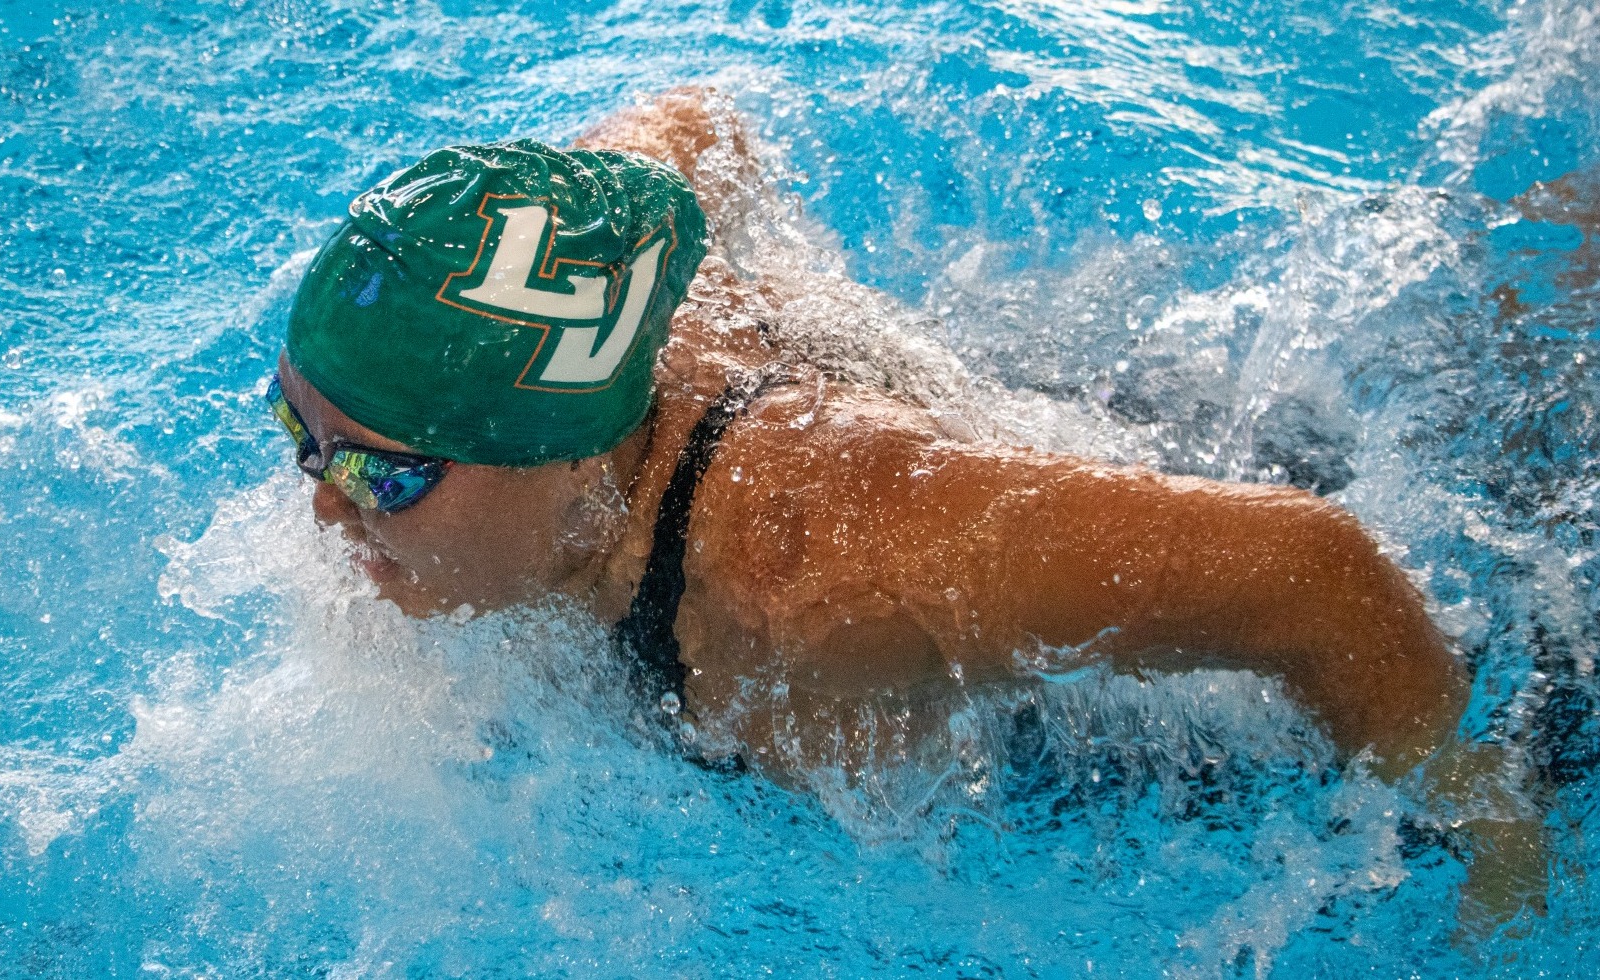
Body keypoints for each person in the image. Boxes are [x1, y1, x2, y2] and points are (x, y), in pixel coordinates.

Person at [268, 88, 1542, 926]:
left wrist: (1480, 824)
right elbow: (688, 131)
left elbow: (1307, 568)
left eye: (385, 473)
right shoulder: (575, 283)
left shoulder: (828, 592)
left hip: (1217, 485)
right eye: (299, 437)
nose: (326, 510)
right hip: (985, 411)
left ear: (561, 463)